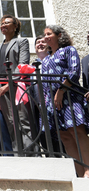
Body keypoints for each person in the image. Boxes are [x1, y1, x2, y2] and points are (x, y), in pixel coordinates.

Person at [41, 25, 89, 177]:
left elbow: (74, 71)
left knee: (77, 132)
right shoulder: (46, 59)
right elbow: (43, 82)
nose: (45, 37)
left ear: (59, 35)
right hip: (52, 102)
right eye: (44, 35)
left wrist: (61, 91)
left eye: (49, 34)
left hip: (70, 97)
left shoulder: (69, 50)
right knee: (65, 136)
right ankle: (79, 173)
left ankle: (88, 169)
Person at [0, 14, 35, 154]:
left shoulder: (21, 42)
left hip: (17, 87)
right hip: (1, 89)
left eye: (7, 23)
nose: (3, 25)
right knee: (11, 123)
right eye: (1, 23)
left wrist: (8, 85)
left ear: (15, 26)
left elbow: (22, 64)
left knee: (23, 122)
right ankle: (18, 154)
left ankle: (30, 155)